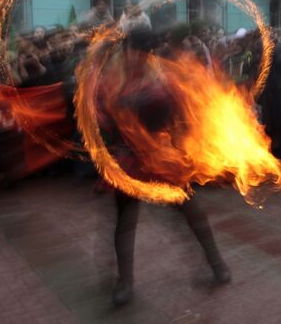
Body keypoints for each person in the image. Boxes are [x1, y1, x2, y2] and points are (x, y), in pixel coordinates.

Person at [98, 27, 230, 306]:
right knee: (125, 221)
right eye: (133, 50)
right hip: (132, 160)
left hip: (160, 158)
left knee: (189, 211)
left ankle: (218, 266)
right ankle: (125, 283)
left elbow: (183, 114)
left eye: (140, 51)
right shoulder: (116, 79)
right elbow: (104, 119)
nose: (136, 56)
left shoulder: (163, 79)